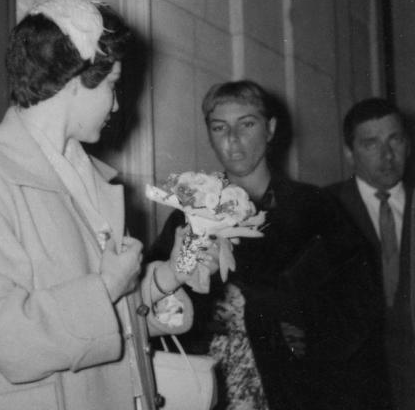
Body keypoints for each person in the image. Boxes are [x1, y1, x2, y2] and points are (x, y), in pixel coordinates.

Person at [0, 0, 215, 410]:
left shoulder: (87, 176)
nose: (118, 103)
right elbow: (7, 338)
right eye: (112, 85)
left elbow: (111, 309)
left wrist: (168, 276)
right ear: (75, 80)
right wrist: (106, 285)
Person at [151, 80, 388, 410]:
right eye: (220, 128)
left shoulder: (314, 207)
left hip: (297, 387)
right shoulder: (190, 215)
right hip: (210, 386)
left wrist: (267, 307)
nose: (233, 140)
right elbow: (157, 294)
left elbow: (358, 306)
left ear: (271, 129)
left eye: (247, 124)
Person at [325, 98, 415, 410]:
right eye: (370, 144)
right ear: (349, 153)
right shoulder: (322, 209)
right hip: (355, 384)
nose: (387, 155)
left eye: (396, 140)